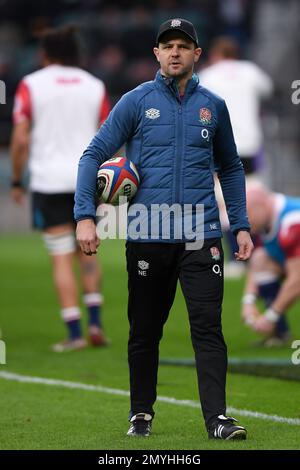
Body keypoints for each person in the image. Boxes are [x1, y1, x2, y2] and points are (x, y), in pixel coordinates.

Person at [75, 19, 253, 440]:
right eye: (167, 45)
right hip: (147, 235)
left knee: (208, 327)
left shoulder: (214, 105)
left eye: (183, 46)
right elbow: (93, 154)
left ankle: (217, 420)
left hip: (202, 234)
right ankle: (141, 413)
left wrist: (241, 225)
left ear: (197, 54)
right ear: (156, 53)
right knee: (145, 330)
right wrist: (86, 214)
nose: (175, 52)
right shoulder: (135, 102)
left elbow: (230, 166)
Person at [10, 26, 110, 352]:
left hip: (49, 180)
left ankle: (74, 332)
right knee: (89, 250)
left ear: (44, 53)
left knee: (60, 258)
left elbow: (21, 137)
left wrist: (16, 179)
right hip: (88, 179)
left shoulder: (31, 84)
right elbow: (109, 134)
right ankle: (96, 323)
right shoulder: (95, 85)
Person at [199, 37, 273, 278]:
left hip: (223, 144)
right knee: (254, 196)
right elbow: (268, 88)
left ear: (216, 55)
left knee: (223, 201)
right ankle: (260, 255)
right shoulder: (251, 71)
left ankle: (235, 258)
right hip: (250, 144)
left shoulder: (209, 75)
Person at [242, 183, 299, 343]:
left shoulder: (291, 221)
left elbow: (297, 280)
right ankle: (280, 334)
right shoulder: (267, 220)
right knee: (261, 258)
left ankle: (275, 325)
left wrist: (270, 316)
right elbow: (257, 263)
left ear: (260, 206)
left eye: (244, 214)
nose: (240, 222)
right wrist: (248, 302)